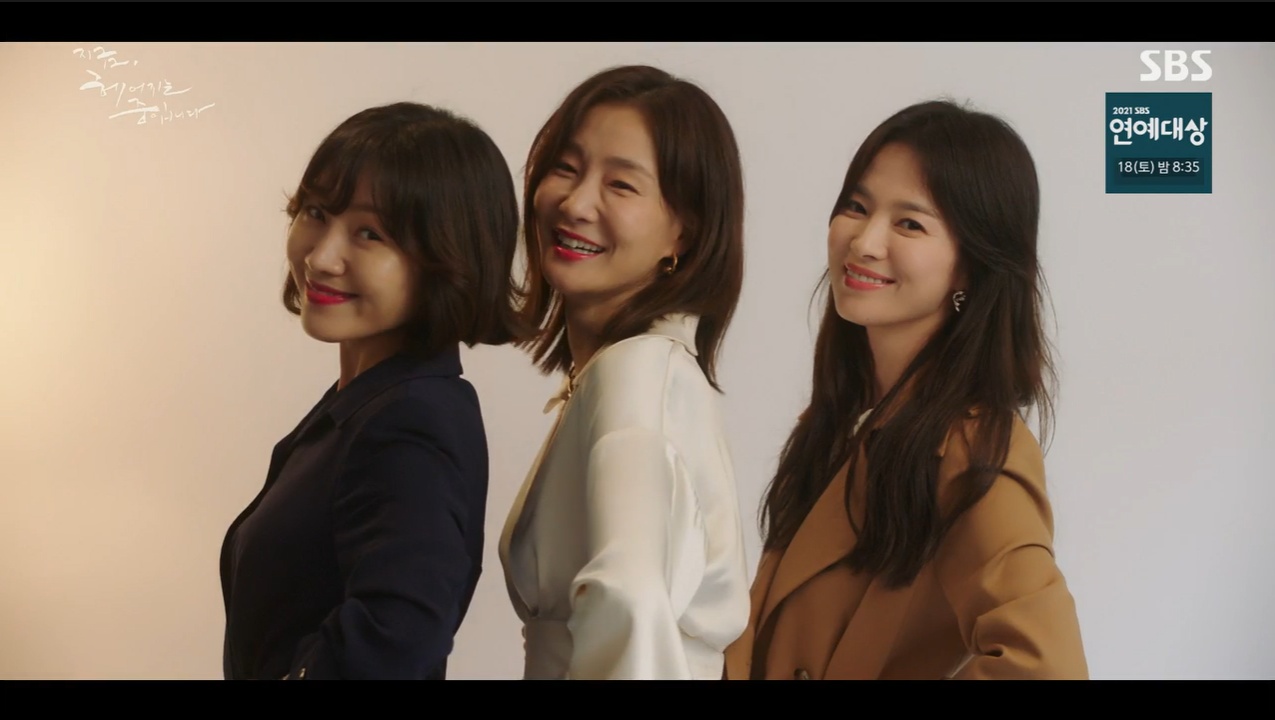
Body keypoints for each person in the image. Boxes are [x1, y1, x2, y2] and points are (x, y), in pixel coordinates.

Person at [726, 100, 1088, 680]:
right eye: (856, 207)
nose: (864, 242)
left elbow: (1047, 668)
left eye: (910, 223)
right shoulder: (842, 421)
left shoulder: (973, 450)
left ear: (971, 266)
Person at [219, 102, 527, 680]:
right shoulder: (372, 402)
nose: (320, 257)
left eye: (369, 233)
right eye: (316, 212)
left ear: (448, 259)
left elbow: (399, 637)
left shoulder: (411, 422)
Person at [498, 65, 750, 680]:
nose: (576, 203)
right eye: (566, 168)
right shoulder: (634, 372)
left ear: (684, 233)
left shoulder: (637, 379)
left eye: (621, 185)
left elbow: (630, 603)